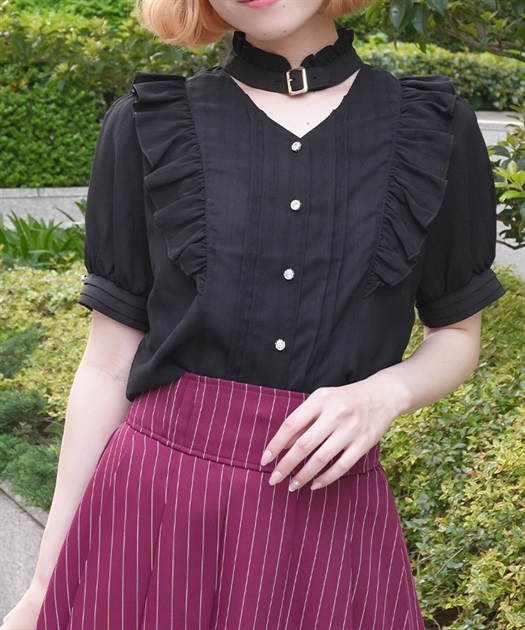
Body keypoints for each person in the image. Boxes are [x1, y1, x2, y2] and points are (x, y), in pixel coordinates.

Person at [1, 0, 505, 628]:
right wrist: (44, 585)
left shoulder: (434, 127)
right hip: (154, 511)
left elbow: (455, 331)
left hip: (327, 515)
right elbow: (107, 365)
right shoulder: (146, 123)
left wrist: (385, 394)